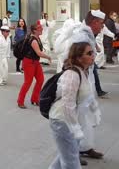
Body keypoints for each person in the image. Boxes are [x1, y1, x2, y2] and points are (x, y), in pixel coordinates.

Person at [48, 41, 95, 169]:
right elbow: (67, 104)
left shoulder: (83, 71)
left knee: (66, 156)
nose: (93, 55)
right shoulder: (72, 75)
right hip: (62, 121)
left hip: (72, 121)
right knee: (71, 162)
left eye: (93, 52)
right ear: (79, 57)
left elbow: (86, 96)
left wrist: (95, 111)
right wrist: (75, 128)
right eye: (89, 53)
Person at [17, 23, 51, 108]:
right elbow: (38, 53)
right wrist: (48, 57)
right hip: (29, 62)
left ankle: (35, 99)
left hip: (35, 62)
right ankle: (20, 101)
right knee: (28, 82)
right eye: (40, 28)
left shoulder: (37, 38)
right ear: (35, 31)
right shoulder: (33, 40)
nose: (42, 29)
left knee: (40, 79)